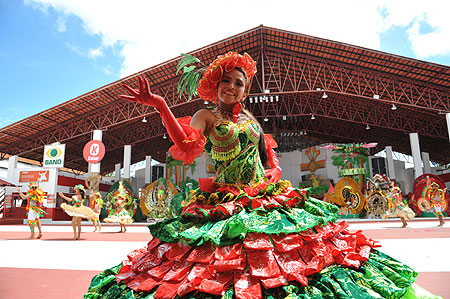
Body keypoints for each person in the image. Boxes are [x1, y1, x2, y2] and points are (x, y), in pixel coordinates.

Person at [85, 52, 441, 298]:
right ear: (215, 85)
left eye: (239, 83)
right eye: (226, 81)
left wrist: (273, 176)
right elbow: (187, 144)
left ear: (245, 89)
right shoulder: (205, 116)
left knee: (296, 258)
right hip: (227, 203)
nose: (232, 87)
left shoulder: (250, 120)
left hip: (268, 197)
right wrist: (161, 106)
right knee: (224, 268)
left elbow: (266, 155)